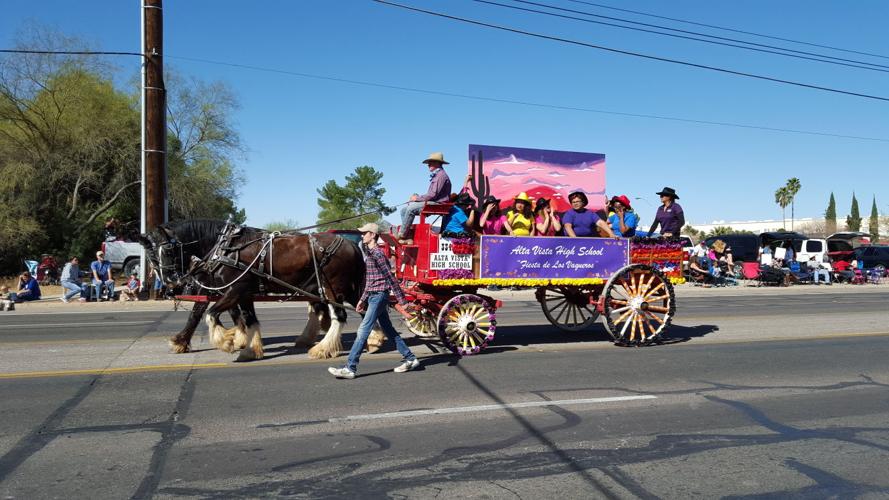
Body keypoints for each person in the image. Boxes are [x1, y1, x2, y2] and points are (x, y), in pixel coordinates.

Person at [329, 223, 419, 379]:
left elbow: (390, 278)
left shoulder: (377, 254)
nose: (362, 236)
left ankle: (350, 368)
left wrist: (402, 301)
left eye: (364, 233)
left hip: (379, 296)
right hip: (373, 295)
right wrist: (362, 300)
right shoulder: (370, 254)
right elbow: (370, 281)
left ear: (372, 234)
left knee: (363, 331)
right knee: (388, 329)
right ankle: (411, 358)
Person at [396, 152, 453, 244]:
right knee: (403, 210)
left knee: (411, 208)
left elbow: (432, 195)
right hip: (434, 202)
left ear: (438, 163)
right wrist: (417, 198)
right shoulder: (437, 175)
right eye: (428, 163)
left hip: (439, 204)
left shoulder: (441, 176)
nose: (428, 165)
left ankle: (401, 235)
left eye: (431, 162)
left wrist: (416, 198)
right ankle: (408, 237)